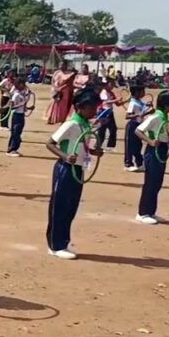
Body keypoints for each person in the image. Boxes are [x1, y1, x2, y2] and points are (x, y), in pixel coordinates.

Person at [44, 89, 103, 259]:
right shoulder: (71, 124)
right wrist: (65, 156)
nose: (94, 111)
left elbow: (82, 145)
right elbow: (50, 143)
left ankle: (63, 241)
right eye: (91, 108)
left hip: (78, 169)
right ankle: (55, 245)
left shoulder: (85, 124)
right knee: (60, 207)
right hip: (65, 168)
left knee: (71, 207)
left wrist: (93, 151)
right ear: (79, 107)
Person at [135, 91, 169, 225]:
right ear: (166, 105)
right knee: (150, 183)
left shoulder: (164, 117)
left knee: (157, 183)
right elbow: (138, 130)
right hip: (153, 152)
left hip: (162, 150)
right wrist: (150, 141)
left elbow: (160, 133)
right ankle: (142, 213)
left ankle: (150, 211)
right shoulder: (155, 117)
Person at [122, 84, 150, 172]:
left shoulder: (139, 102)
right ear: (137, 92)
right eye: (142, 91)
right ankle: (128, 164)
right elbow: (127, 116)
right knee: (130, 146)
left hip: (139, 125)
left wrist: (148, 107)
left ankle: (140, 163)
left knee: (138, 145)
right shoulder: (133, 103)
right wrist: (137, 115)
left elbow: (143, 110)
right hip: (132, 125)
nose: (144, 93)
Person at [5, 77, 33, 157]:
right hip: (16, 116)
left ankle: (14, 148)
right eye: (22, 84)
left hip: (21, 115)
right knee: (15, 133)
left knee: (18, 132)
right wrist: (20, 105)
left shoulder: (22, 95)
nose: (24, 85)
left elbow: (23, 106)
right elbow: (11, 107)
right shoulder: (16, 95)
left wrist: (29, 108)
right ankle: (11, 149)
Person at [94, 77, 121, 150]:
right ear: (106, 84)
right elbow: (105, 102)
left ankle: (110, 146)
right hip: (103, 111)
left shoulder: (111, 93)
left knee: (113, 129)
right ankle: (98, 145)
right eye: (111, 84)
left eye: (113, 84)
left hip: (109, 112)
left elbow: (117, 104)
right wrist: (116, 99)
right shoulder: (103, 92)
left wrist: (122, 101)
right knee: (102, 130)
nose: (112, 86)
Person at [47, 60, 76, 124]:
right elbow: (53, 81)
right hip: (56, 90)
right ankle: (52, 118)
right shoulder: (56, 73)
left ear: (66, 66)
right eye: (60, 65)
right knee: (54, 104)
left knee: (62, 106)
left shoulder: (69, 74)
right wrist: (55, 88)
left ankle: (62, 119)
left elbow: (68, 83)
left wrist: (61, 88)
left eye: (63, 65)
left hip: (64, 92)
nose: (61, 66)